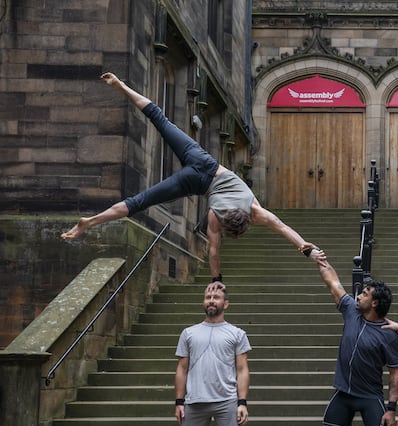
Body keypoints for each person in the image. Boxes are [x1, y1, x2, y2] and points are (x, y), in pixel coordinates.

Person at [61, 72, 324, 281]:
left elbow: (284, 228)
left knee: (160, 120)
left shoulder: (247, 210)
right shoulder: (227, 216)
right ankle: (91, 222)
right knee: (139, 202)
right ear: (241, 222)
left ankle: (120, 85)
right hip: (195, 182)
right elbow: (214, 251)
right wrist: (216, 278)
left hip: (204, 163)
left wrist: (308, 248)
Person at [298, 259, 398, 426]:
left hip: (370, 397)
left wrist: (391, 409)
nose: (359, 294)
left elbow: (395, 373)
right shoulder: (350, 310)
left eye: (365, 293)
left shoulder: (388, 332)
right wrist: (319, 259)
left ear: (375, 303)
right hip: (343, 394)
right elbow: (332, 281)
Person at [161, 283, 255, 426]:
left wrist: (242, 402)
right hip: (195, 401)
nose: (211, 300)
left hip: (226, 400)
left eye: (216, 297)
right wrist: (179, 401)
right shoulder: (189, 333)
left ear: (226, 303)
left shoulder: (236, 333)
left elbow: (242, 369)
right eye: (208, 297)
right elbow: (181, 369)